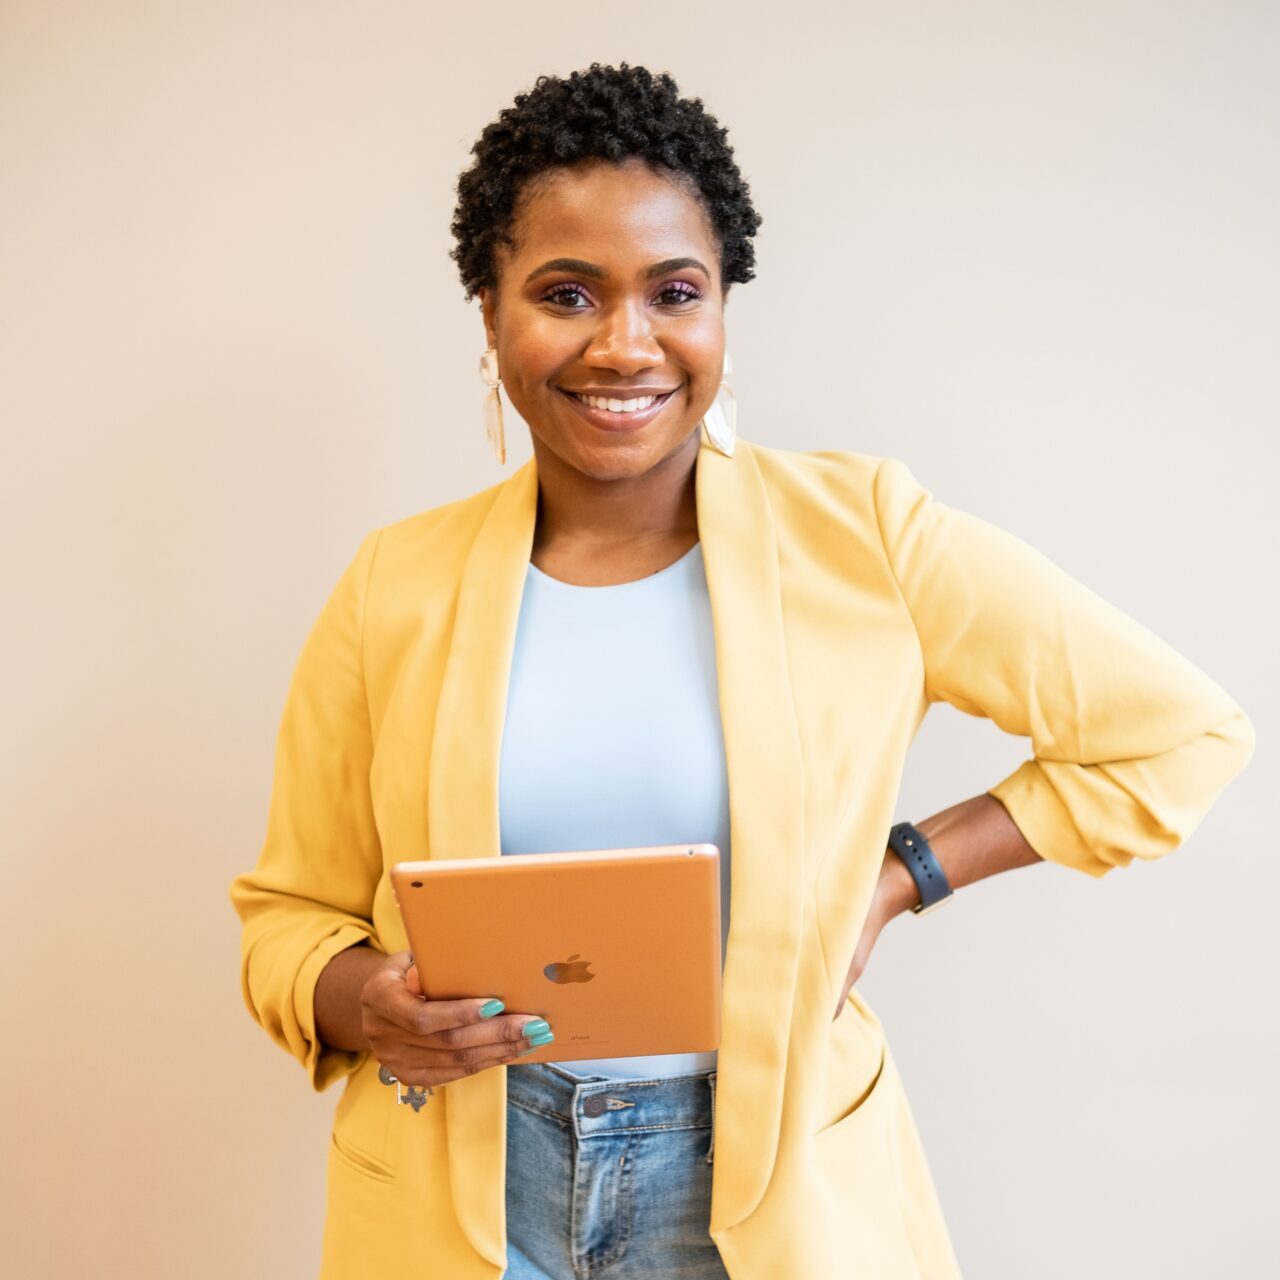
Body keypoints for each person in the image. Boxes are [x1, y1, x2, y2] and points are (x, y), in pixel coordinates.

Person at [229, 63, 1255, 1280]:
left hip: (769, 1191)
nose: (626, 343)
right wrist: (362, 1000)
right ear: (490, 311)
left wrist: (897, 875)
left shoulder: (864, 532)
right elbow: (290, 917)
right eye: (566, 293)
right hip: (463, 1194)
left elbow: (1177, 733)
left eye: (675, 291)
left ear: (721, 309)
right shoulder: (392, 583)